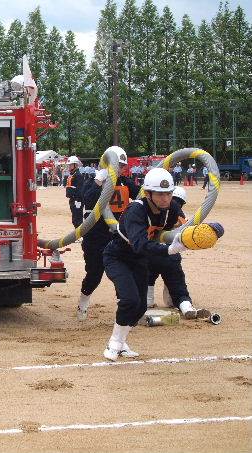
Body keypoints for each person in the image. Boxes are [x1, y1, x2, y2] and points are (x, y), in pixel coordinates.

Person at [102, 168, 189, 361]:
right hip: (118, 257)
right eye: (160, 194)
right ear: (148, 194)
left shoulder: (173, 209)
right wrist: (169, 249)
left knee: (141, 307)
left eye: (168, 193)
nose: (165, 198)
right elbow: (140, 245)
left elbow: (184, 227)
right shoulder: (136, 210)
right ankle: (113, 344)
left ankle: (122, 343)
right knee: (130, 300)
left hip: (140, 260)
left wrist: (196, 237)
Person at [77, 146, 139, 320]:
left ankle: (126, 307)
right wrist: (99, 181)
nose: (120, 168)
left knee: (124, 272)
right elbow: (87, 199)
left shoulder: (125, 182)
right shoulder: (93, 181)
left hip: (119, 235)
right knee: (94, 273)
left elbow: (142, 195)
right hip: (96, 236)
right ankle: (83, 301)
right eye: (118, 164)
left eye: (122, 165)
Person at [146, 186, 211, 319]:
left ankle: (148, 302)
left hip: (150, 251)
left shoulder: (148, 211)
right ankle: (185, 306)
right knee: (177, 283)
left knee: (147, 278)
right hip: (171, 253)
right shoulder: (181, 215)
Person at [65, 155, 84, 228]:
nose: (69, 166)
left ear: (75, 165)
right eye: (68, 165)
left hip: (77, 200)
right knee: (75, 219)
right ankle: (77, 234)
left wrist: (75, 198)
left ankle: (79, 235)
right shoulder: (72, 174)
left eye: (70, 165)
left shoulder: (78, 175)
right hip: (73, 199)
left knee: (77, 219)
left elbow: (80, 190)